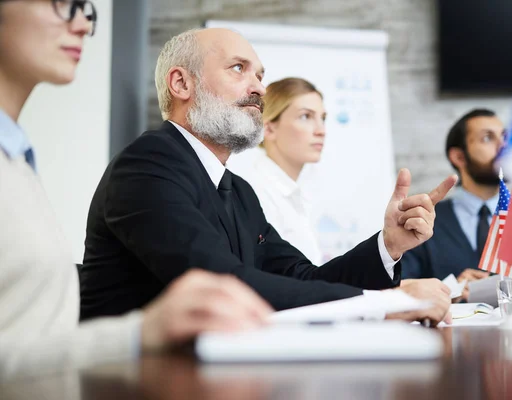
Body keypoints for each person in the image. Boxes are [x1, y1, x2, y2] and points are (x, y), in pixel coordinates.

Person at [80, 28, 458, 326]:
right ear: (181, 84)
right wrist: (384, 303)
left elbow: (303, 279)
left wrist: (388, 245)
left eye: (261, 75)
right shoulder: (147, 164)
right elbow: (220, 285)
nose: (260, 88)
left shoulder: (239, 191)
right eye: (239, 69)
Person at [0, 0, 271, 380]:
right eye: (62, 3)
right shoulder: (148, 165)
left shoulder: (17, 162)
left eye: (87, 9)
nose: (82, 25)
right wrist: (142, 333)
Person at [400, 109, 505, 291]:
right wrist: (451, 289)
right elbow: (398, 289)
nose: (503, 146)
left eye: (505, 137)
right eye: (488, 138)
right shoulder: (424, 222)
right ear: (458, 157)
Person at [233, 77, 325, 264]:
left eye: (323, 118)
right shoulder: (255, 195)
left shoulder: (298, 193)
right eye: (306, 116)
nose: (321, 130)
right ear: (268, 128)